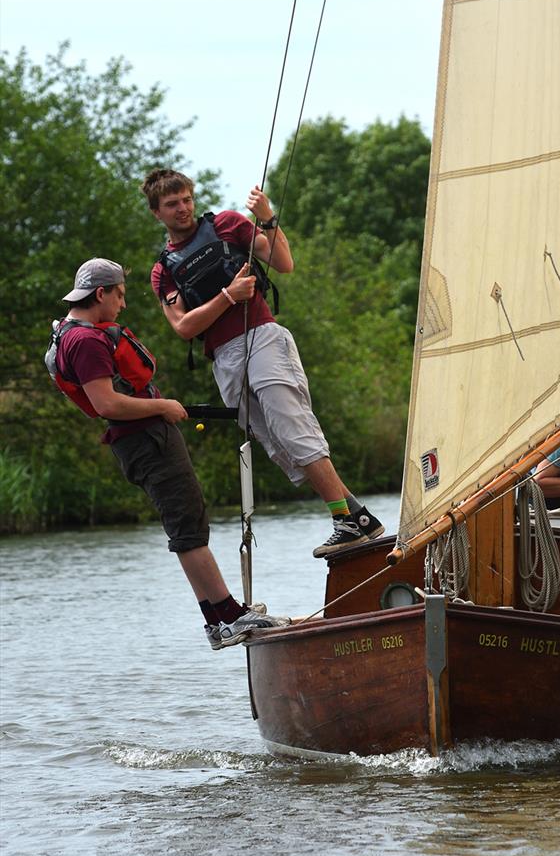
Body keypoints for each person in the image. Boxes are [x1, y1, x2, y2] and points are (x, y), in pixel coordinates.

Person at [141, 168, 385, 558]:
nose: (183, 209)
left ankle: (344, 521)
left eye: (187, 199)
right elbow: (185, 326)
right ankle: (358, 516)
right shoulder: (163, 270)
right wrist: (228, 295)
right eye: (172, 204)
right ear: (157, 212)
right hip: (224, 359)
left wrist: (268, 217)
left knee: (294, 430)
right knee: (280, 449)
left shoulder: (227, 225)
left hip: (262, 336)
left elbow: (283, 263)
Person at [46, 257, 285, 650]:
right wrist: (163, 406)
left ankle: (223, 616)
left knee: (188, 524)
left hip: (142, 441)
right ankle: (227, 618)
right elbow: (107, 404)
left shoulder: (71, 333)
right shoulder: (85, 341)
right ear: (101, 293)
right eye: (119, 295)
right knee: (188, 528)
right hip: (146, 441)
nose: (122, 305)